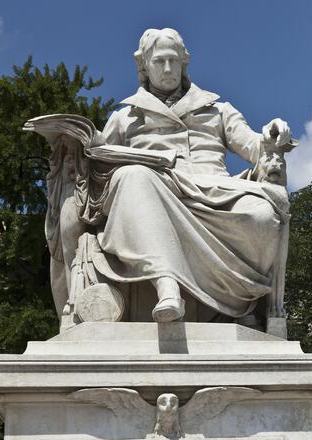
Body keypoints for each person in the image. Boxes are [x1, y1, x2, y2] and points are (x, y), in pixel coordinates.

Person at [51, 28, 295, 323]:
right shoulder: (124, 117)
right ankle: (167, 285)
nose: (167, 69)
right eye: (159, 61)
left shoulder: (218, 109)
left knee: (262, 214)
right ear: (144, 66)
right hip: (152, 187)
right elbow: (103, 160)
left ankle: (236, 304)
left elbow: (253, 145)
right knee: (131, 177)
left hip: (214, 189)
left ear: (184, 63)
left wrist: (270, 136)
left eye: (173, 61)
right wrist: (80, 149)